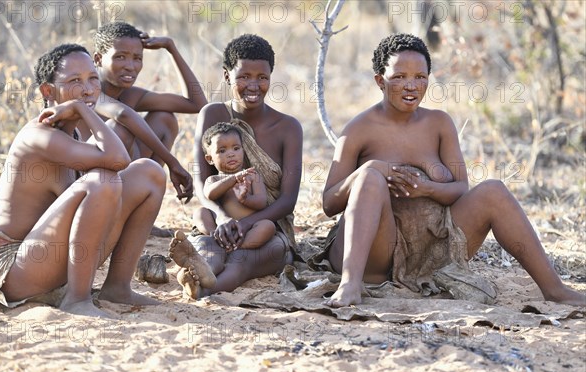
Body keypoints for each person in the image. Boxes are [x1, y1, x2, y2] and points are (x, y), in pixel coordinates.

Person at [317, 33, 586, 308]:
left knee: (494, 190)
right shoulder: (358, 129)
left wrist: (427, 188)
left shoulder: (439, 124)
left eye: (420, 77)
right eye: (399, 77)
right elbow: (329, 203)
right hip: (377, 256)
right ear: (380, 81)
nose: (411, 85)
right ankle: (349, 286)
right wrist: (371, 169)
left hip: (431, 253)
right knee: (370, 178)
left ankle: (555, 289)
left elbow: (460, 188)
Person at [0, 44, 167, 317]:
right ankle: (77, 299)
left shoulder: (74, 135)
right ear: (48, 92)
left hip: (50, 259)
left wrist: (82, 111)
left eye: (93, 78)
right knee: (103, 181)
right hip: (15, 269)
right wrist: (85, 111)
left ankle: (117, 287)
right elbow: (117, 160)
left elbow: (122, 162)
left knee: (149, 173)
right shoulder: (39, 135)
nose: (88, 89)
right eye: (74, 81)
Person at [169, 34, 303, 299]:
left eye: (262, 77)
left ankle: (205, 288)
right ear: (227, 76)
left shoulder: (288, 128)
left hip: (267, 229)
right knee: (208, 246)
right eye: (243, 77)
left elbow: (288, 201)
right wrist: (223, 218)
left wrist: (246, 224)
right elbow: (202, 182)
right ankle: (199, 270)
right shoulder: (213, 113)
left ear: (270, 78)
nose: (253, 85)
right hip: (220, 221)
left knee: (243, 258)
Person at [92, 22, 208, 226]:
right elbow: (122, 114)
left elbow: (197, 104)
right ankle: (111, 221)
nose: (130, 66)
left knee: (165, 119)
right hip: (88, 189)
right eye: (120, 56)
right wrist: (173, 163)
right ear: (98, 58)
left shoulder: (131, 95)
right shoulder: (89, 90)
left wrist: (171, 48)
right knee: (119, 129)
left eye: (137, 58)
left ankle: (140, 219)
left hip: (124, 181)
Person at [199, 121, 275, 250]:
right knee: (200, 213)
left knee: (267, 226)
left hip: (248, 229)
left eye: (236, 148)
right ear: (210, 159)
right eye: (222, 150)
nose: (231, 154)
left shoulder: (252, 176)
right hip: (222, 227)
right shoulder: (214, 179)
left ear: (243, 150)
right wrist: (234, 178)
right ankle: (216, 238)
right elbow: (210, 194)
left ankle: (238, 247)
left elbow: (262, 202)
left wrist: (246, 199)